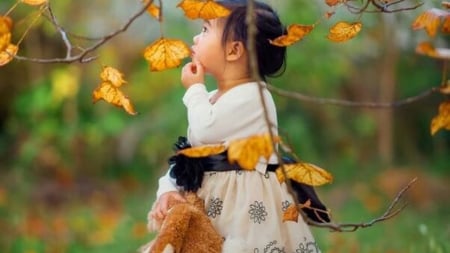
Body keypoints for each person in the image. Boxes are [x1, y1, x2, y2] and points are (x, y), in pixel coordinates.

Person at [148, 1, 326, 252]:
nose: (196, 38)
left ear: (234, 50)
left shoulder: (254, 97)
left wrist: (194, 89)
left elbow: (204, 130)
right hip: (212, 205)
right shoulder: (211, 99)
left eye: (206, 29)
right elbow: (193, 156)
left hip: (246, 215)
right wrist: (167, 189)